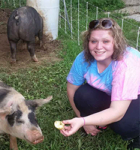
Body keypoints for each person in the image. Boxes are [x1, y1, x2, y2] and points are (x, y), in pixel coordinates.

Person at [60, 18, 140, 150]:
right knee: (82, 95)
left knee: (123, 123)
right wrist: (82, 117)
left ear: (116, 42)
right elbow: (72, 89)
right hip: (114, 94)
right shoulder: (83, 58)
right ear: (88, 42)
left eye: (106, 41)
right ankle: (100, 122)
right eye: (93, 41)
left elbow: (118, 112)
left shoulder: (126, 64)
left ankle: (138, 136)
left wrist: (82, 121)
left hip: (136, 96)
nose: (98, 47)